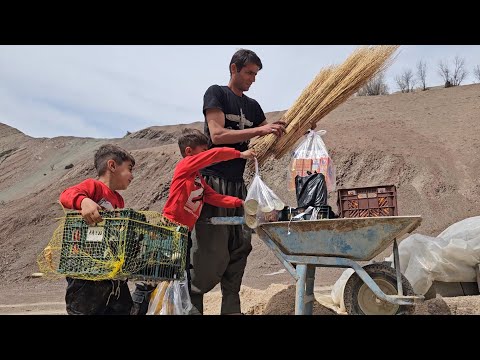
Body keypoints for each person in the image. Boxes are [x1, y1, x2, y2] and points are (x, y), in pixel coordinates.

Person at [190, 48, 286, 315]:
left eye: (255, 74)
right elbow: (218, 135)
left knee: (239, 247)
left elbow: (271, 141)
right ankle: (192, 309)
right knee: (209, 253)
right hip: (212, 183)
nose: (252, 79)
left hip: (238, 187)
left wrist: (296, 129)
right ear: (233, 69)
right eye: (248, 73)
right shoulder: (216, 94)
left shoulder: (253, 107)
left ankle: (231, 311)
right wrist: (260, 130)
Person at [130, 129, 255, 315]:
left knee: (180, 279)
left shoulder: (197, 178)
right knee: (158, 278)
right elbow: (214, 155)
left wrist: (240, 203)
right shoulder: (184, 166)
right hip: (169, 232)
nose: (206, 154)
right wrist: (239, 154)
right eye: (203, 150)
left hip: (183, 235)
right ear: (189, 152)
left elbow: (213, 197)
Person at [59, 144, 135, 315]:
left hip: (110, 269)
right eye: (129, 169)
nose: (132, 175)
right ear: (112, 166)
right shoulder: (93, 186)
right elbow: (66, 195)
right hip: (86, 268)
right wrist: (83, 201)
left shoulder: (119, 200)